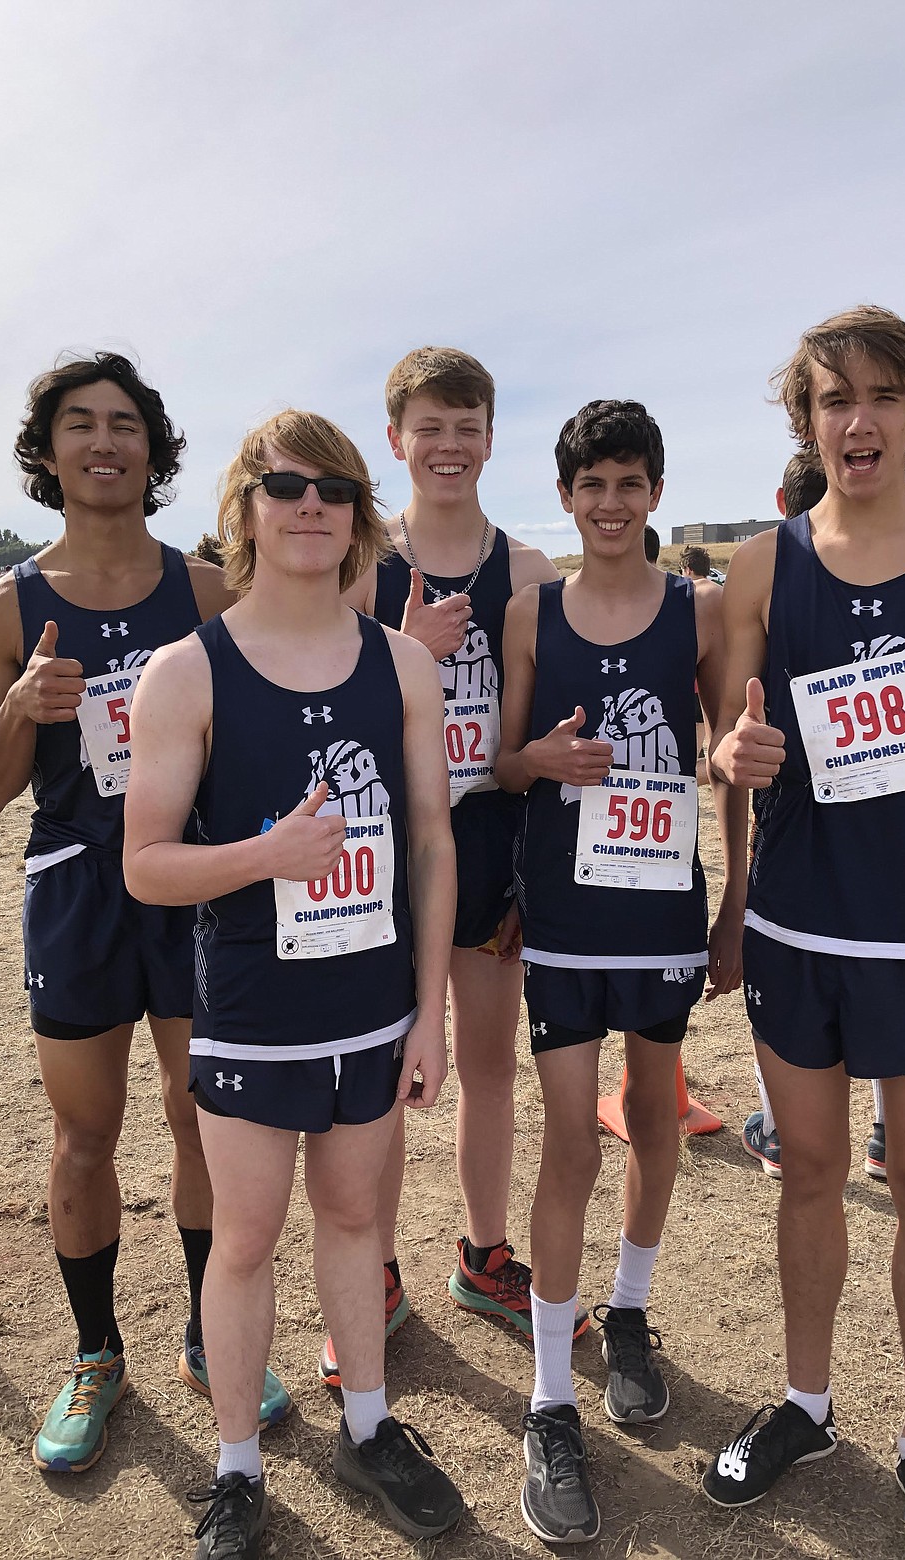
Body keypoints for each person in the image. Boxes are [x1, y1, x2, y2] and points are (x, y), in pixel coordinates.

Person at [704, 306, 905, 1560]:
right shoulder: (758, 566)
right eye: (835, 399)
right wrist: (728, 756)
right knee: (808, 1175)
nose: (860, 420)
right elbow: (724, 745)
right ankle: (805, 1404)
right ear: (807, 420)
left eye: (884, 397)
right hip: (797, 930)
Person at [123, 409, 465, 1555]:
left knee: (358, 1218)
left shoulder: (402, 663)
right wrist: (265, 856)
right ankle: (236, 1469)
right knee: (248, 1237)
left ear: (361, 515)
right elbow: (147, 864)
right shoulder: (187, 672)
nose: (309, 504)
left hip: (372, 1008)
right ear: (246, 510)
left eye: (333, 488)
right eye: (285, 486)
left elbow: (428, 841)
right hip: (251, 1013)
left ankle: (370, 1428)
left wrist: (433, 1010)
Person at [0, 352, 289, 1477]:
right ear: (46, 454)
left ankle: (209, 1330)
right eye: (80, 425)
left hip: (191, 887)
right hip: (79, 893)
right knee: (85, 1133)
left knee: (201, 1115)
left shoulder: (201, 591)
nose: (105, 441)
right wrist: (17, 708)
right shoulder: (6, 606)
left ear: (154, 450)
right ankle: (98, 1353)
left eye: (126, 424)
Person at [496, 399, 746, 1543]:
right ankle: (553, 1396)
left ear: (654, 492)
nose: (609, 503)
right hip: (559, 919)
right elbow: (503, 759)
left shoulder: (696, 609)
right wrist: (536, 759)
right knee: (563, 1142)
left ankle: (631, 1313)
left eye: (628, 483)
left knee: (654, 1112)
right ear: (566, 495)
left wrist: (737, 894)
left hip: (660, 915)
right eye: (590, 484)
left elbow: (731, 759)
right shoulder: (532, 612)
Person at [340, 346, 571, 1378]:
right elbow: (322, 718)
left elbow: (534, 742)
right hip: (381, 846)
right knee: (385, 1073)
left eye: (466, 425)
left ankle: (484, 1256)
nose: (448, 444)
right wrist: (401, 647)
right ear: (396, 440)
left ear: (490, 437)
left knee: (486, 1066)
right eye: (428, 426)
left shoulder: (527, 572)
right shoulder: (355, 563)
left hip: (488, 838)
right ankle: (373, 1267)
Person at [741, 453, 888, 1183]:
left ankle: (777, 1129)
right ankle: (860, 1133)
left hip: (824, 866)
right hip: (837, 873)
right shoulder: (760, 573)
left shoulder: (769, 581)